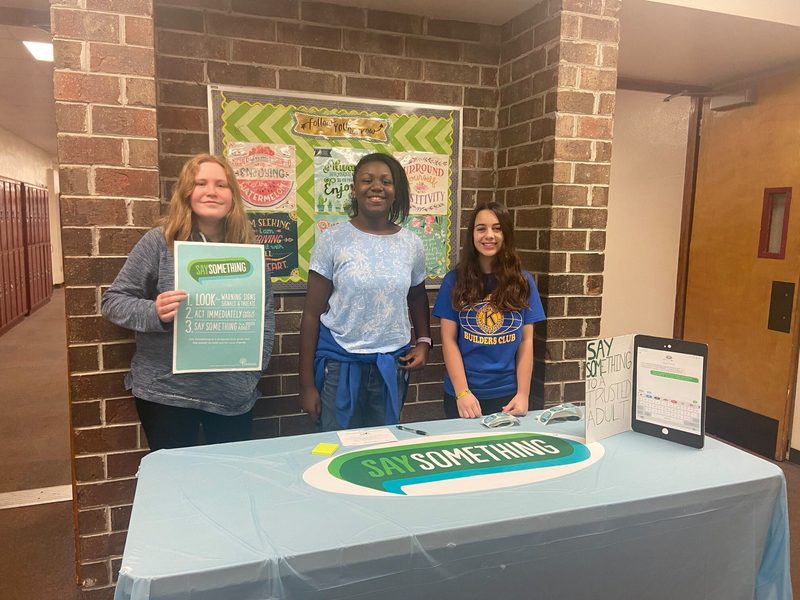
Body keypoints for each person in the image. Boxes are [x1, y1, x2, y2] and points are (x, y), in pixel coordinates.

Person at [101, 153, 275, 450]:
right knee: (176, 485)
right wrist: (154, 311)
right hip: (166, 394)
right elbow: (113, 301)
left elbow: (265, 318)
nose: (211, 191)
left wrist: (251, 373)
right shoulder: (160, 242)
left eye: (222, 185)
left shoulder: (248, 251)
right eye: (201, 183)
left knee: (230, 479)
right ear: (186, 193)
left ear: (232, 196)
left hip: (231, 395)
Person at [299, 152, 431, 431]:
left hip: (391, 365)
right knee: (337, 447)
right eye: (367, 180)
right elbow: (311, 314)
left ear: (397, 192)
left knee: (383, 448)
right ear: (354, 189)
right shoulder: (332, 240)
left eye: (386, 181)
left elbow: (417, 296)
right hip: (339, 362)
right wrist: (307, 384)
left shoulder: (411, 244)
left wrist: (423, 341)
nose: (376, 186)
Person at [433, 201, 545, 419]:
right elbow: (448, 340)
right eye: (481, 228)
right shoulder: (454, 281)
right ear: (472, 234)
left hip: (508, 395)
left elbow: (526, 341)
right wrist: (462, 392)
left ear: (506, 234)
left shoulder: (523, 281)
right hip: (464, 394)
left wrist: (523, 394)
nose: (489, 235)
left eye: (497, 228)